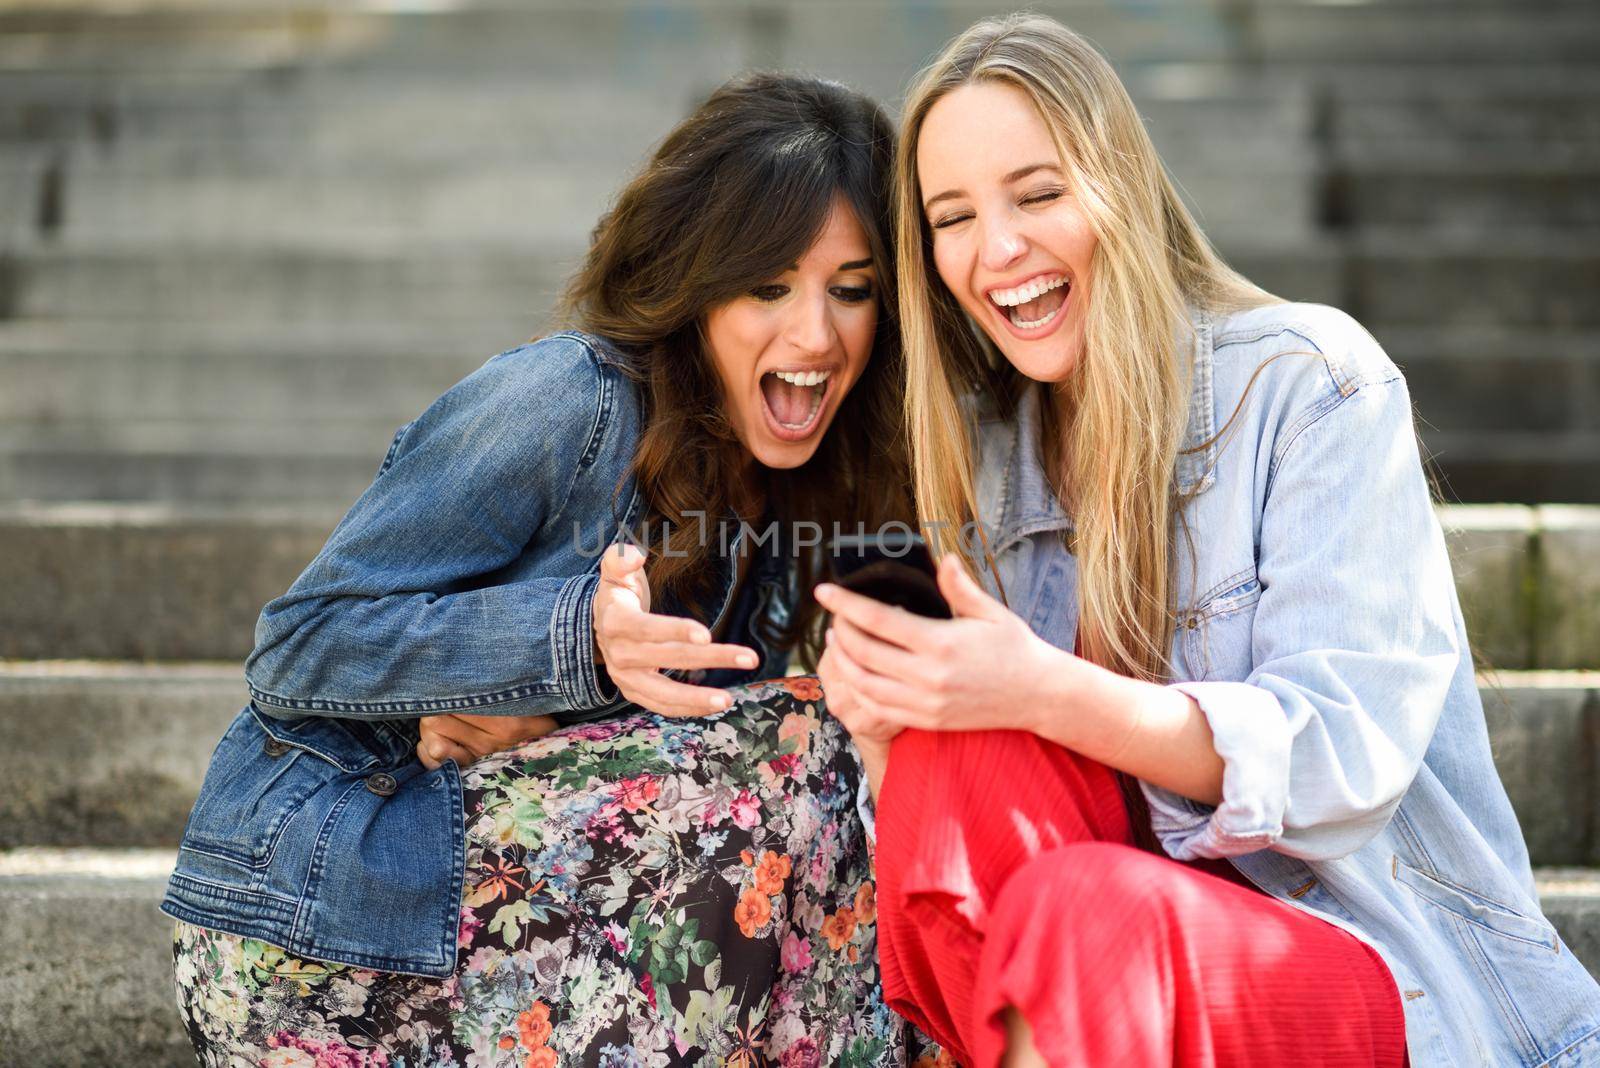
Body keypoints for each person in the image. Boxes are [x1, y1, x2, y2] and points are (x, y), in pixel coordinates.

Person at [815, 14, 1600, 1068]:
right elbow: (964, 861)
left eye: (1038, 194)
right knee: (956, 750)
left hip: (1361, 962)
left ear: (1119, 189)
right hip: (1091, 984)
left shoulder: (1308, 383)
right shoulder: (983, 460)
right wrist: (885, 727)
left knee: (1086, 910)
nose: (997, 250)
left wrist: (1039, 687)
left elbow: (1341, 759)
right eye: (951, 218)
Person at [163, 72, 931, 1065]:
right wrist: (566, 642)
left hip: (516, 928)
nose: (817, 334)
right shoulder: (566, 403)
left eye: (853, 290)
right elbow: (296, 644)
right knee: (795, 739)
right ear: (694, 287)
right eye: (767, 285)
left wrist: (540, 716)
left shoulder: (797, 486)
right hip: (320, 926)